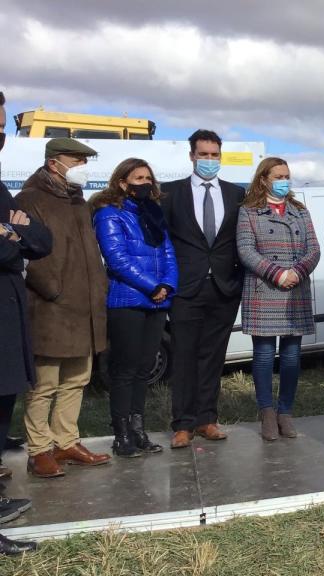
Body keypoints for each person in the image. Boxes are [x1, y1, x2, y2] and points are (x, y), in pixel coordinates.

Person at [17, 137, 111, 478]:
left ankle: (66, 441)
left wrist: (97, 288)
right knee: (44, 385)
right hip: (50, 309)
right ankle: (39, 449)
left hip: (85, 309)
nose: (82, 169)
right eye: (77, 161)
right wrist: (52, 290)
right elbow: (26, 251)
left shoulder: (77, 201)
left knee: (76, 380)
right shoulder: (30, 199)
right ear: (55, 163)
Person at [161, 130, 246, 449]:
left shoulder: (236, 194)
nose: (210, 160)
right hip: (185, 288)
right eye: (204, 154)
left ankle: (207, 419)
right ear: (192, 156)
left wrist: (237, 280)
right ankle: (182, 424)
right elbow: (163, 241)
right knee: (183, 355)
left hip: (223, 288)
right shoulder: (170, 193)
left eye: (215, 155)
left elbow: (240, 240)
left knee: (213, 357)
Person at [91, 159, 178, 457]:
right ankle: (121, 435)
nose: (145, 183)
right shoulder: (108, 214)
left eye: (149, 178)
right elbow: (116, 258)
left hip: (157, 301)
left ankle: (139, 430)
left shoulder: (153, 213)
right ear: (122, 182)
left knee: (143, 369)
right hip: (127, 299)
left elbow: (169, 253)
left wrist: (167, 285)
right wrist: (151, 286)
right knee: (124, 370)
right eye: (138, 177)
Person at [237, 158, 321, 441]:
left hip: (294, 290)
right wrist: (277, 274)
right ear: (264, 179)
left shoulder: (299, 210)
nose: (285, 180)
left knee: (291, 356)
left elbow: (314, 249)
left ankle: (285, 411)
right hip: (265, 289)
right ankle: (267, 412)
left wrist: (296, 272)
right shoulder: (249, 211)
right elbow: (246, 251)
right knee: (263, 355)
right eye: (279, 176)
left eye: (288, 175)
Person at [0, 90, 43, 555]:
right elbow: (14, 244)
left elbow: (38, 239)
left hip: (7, 314)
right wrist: (12, 235)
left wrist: (12, 231)